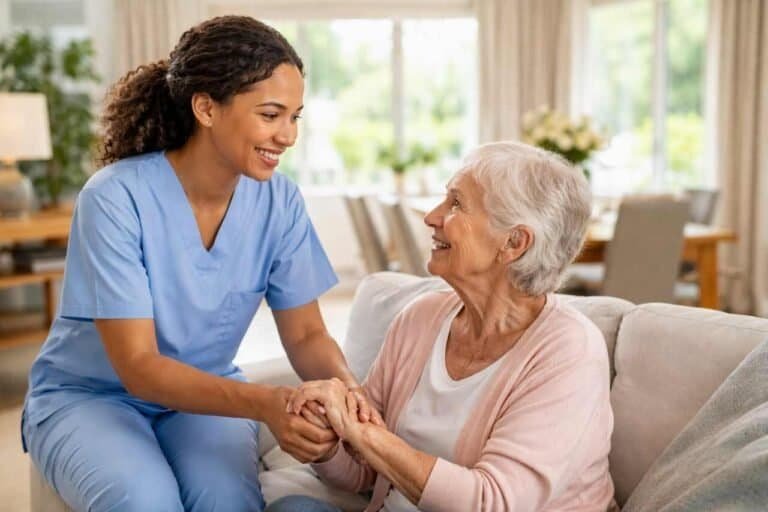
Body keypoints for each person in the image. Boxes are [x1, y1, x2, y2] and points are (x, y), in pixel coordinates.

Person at [21, 16, 376, 512]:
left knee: (226, 502)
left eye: (295, 117)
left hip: (205, 398)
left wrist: (355, 399)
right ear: (206, 108)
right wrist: (267, 404)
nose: (288, 135)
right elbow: (140, 368)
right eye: (271, 114)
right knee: (144, 500)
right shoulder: (115, 198)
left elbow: (306, 336)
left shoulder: (280, 202)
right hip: (92, 397)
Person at [273, 141, 615, 512]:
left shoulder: (568, 351)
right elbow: (364, 471)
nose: (432, 216)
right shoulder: (421, 318)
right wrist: (326, 442)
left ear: (514, 242)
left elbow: (492, 502)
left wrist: (361, 432)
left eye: (456, 204)